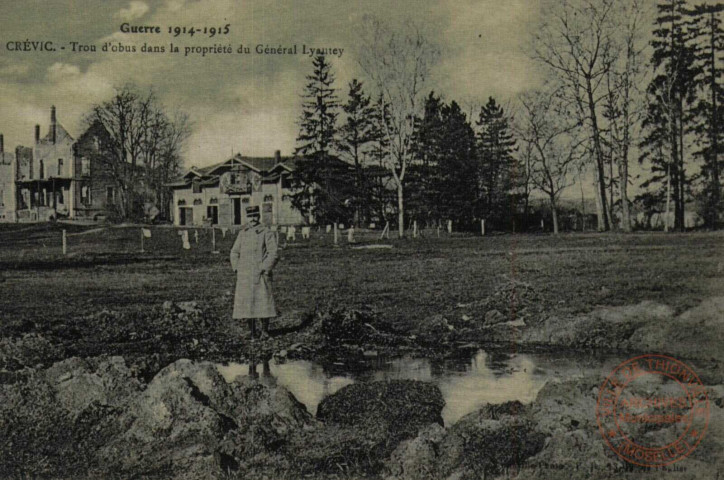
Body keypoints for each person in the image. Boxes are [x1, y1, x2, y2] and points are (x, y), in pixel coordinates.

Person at [230, 205, 279, 339]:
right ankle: (252, 331)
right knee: (247, 303)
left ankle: (264, 331)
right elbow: (234, 252)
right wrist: (237, 268)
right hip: (245, 274)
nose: (252, 219)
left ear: (259, 216)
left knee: (263, 302)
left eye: (255, 216)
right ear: (247, 217)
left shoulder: (266, 232)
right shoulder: (243, 233)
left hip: (260, 273)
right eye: (250, 216)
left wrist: (265, 268)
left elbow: (273, 253)